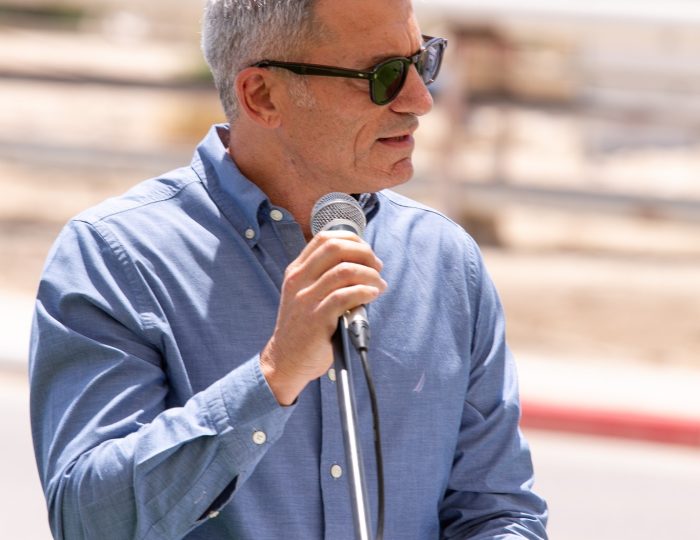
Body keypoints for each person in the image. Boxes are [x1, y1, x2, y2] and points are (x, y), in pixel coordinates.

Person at [29, 0, 548, 538]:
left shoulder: (446, 259)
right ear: (263, 95)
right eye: (384, 75)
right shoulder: (115, 256)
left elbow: (499, 511)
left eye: (423, 62)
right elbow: (88, 522)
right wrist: (274, 375)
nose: (420, 100)